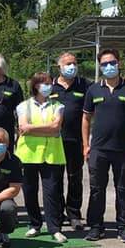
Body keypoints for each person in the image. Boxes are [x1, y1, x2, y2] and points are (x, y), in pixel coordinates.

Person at [82, 49, 125, 243]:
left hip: (123, 149)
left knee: (124, 189)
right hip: (99, 149)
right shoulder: (93, 89)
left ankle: (124, 227)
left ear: (119, 63)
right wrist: (85, 145)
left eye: (112, 62)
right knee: (96, 189)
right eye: (105, 63)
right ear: (100, 66)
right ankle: (95, 227)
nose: (109, 66)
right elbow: (86, 118)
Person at [16, 72, 67, 243]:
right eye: (44, 83)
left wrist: (33, 128)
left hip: (51, 155)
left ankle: (54, 228)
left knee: (51, 192)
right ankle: (34, 224)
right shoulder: (24, 106)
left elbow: (56, 128)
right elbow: (23, 127)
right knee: (30, 191)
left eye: (50, 82)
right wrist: (45, 128)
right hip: (28, 155)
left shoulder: (58, 105)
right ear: (35, 85)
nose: (48, 86)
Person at [50, 52, 89, 231]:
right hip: (54, 141)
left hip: (76, 141)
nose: (71, 66)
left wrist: (86, 143)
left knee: (75, 178)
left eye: (74, 63)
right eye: (67, 64)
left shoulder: (85, 85)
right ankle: (57, 214)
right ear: (59, 67)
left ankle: (74, 214)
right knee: (55, 179)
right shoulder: (49, 87)